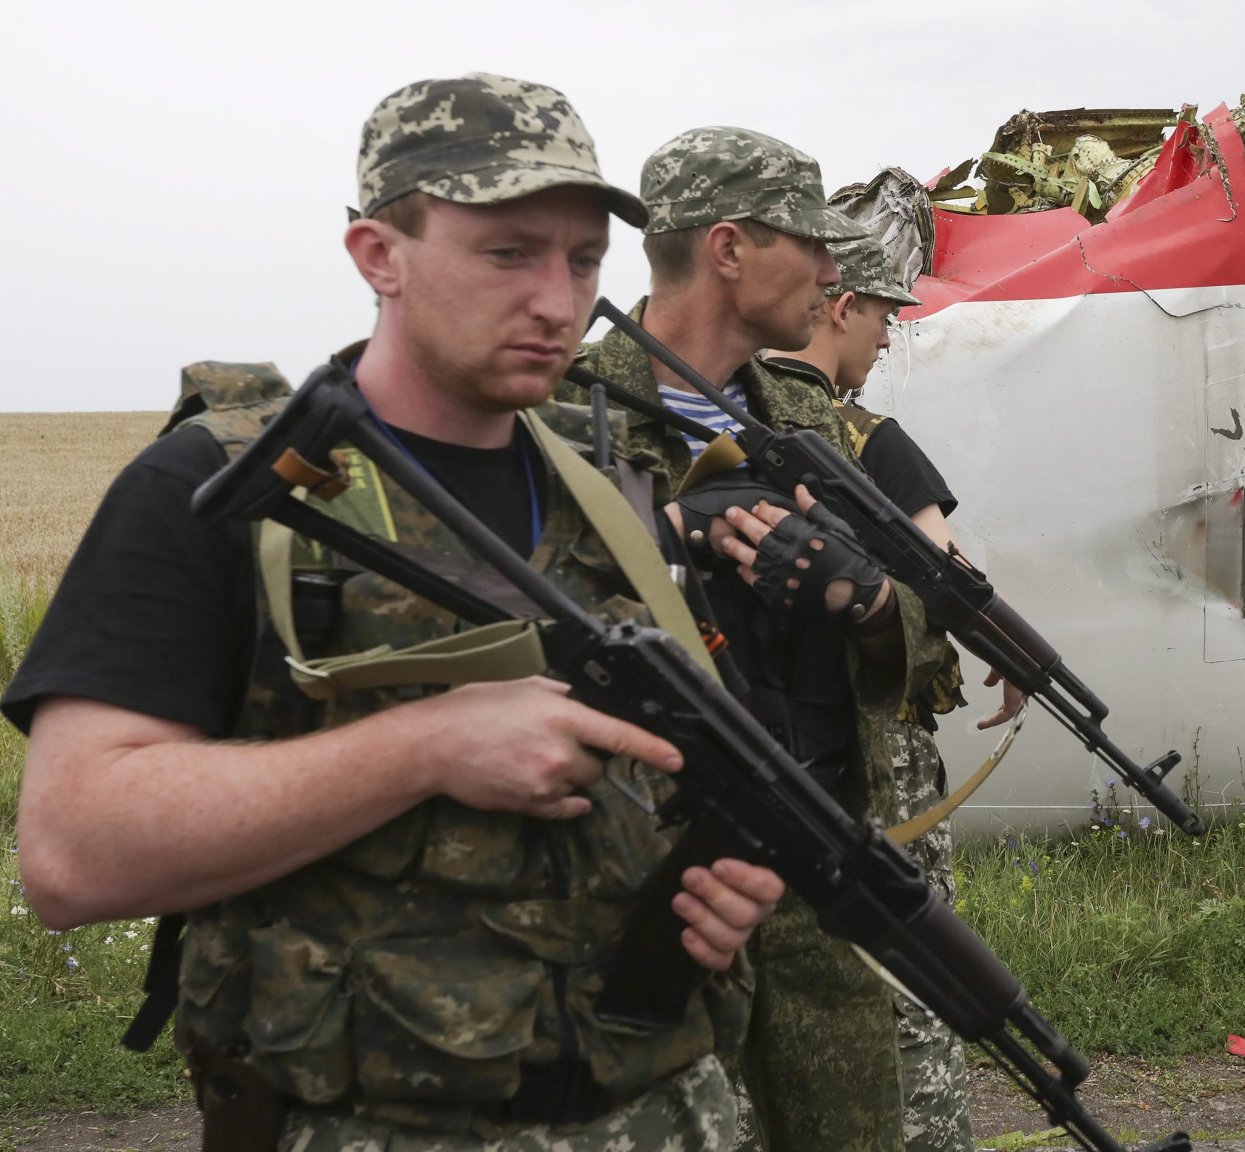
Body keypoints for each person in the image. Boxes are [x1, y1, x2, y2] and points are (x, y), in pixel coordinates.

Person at [4, 74, 784, 1152]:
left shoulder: (619, 489)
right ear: (379, 255)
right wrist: (421, 746)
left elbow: (672, 783)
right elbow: (73, 852)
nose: (557, 301)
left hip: (664, 1117)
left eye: (582, 260)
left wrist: (717, 890)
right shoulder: (225, 490)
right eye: (508, 253)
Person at [567, 127, 955, 1152]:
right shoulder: (571, 414)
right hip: (657, 890)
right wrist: (667, 545)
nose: (833, 272)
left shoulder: (808, 420)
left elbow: (929, 636)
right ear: (729, 249)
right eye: (807, 243)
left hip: (819, 864)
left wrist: (868, 603)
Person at [760, 235, 1026, 1152]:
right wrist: (1016, 655)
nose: (884, 339)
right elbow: (944, 572)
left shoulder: (720, 407)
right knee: (914, 975)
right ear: (839, 308)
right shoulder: (863, 436)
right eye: (880, 316)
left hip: (766, 744)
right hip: (877, 744)